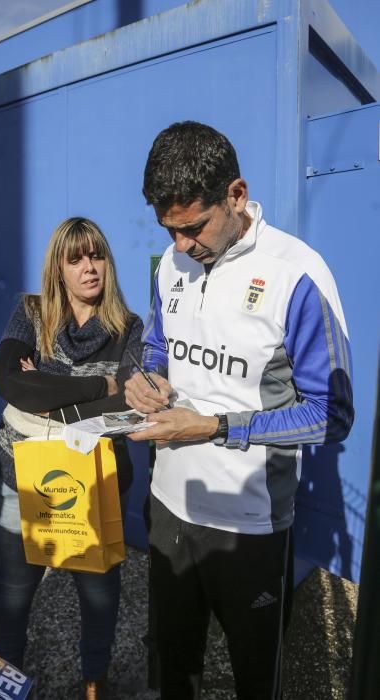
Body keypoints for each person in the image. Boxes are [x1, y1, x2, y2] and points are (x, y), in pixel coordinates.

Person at [125, 121, 354, 699]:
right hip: (169, 507)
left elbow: (331, 414)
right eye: (168, 231)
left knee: (256, 674)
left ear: (236, 195)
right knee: (172, 661)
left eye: (193, 228)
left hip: (250, 526)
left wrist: (216, 427)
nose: (180, 246)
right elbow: (158, 346)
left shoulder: (297, 274)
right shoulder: (171, 264)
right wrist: (145, 379)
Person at [0, 217, 143, 700]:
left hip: (93, 483)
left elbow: (126, 408)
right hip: (20, 478)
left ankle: (94, 680)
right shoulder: (30, 313)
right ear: (58, 268)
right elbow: (11, 384)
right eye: (75, 258)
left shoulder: (128, 327)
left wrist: (46, 387)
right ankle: (6, 679)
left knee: (98, 596)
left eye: (96, 255)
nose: (89, 267)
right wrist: (102, 385)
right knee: (12, 594)